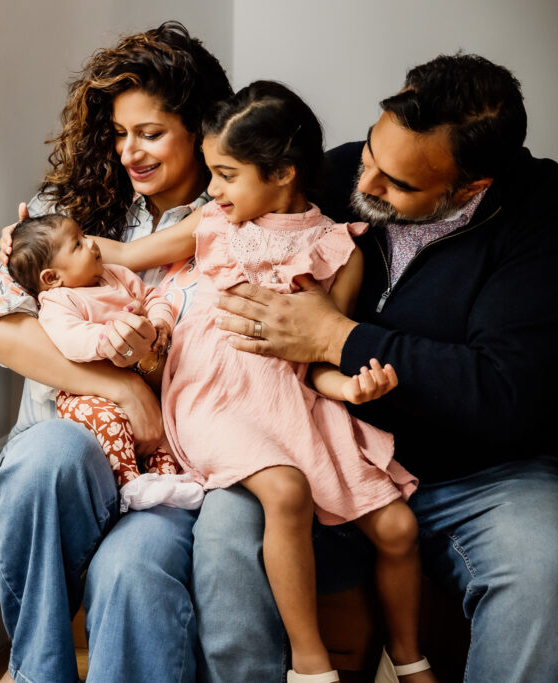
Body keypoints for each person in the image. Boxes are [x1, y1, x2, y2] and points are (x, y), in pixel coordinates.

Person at [191, 54, 558, 682]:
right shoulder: (334, 174)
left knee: (544, 564)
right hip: (323, 445)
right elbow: (213, 226)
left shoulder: (542, 221)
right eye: (371, 153)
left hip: (477, 475)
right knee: (227, 531)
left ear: (471, 188)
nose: (367, 184)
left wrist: (338, 338)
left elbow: (504, 390)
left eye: (400, 184)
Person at [93, 80, 433, 683]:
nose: (214, 188)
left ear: (281, 174)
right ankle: (309, 663)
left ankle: (410, 661)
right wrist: (42, 242)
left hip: (296, 403)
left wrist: (352, 390)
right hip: (214, 394)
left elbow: (322, 361)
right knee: (285, 491)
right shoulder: (211, 224)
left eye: (225, 174)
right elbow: (123, 254)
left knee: (399, 525)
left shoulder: (339, 250)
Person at [0, 21, 232, 683]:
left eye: (150, 132)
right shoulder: (63, 214)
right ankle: (39, 672)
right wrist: (119, 387)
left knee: (132, 573)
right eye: (118, 132)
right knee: (45, 459)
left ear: (199, 128)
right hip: (72, 455)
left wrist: (150, 372)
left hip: (168, 469)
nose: (129, 152)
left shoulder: (231, 219)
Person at [6, 212, 205, 513]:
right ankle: (131, 483)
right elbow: (70, 339)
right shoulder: (59, 301)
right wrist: (110, 337)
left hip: (140, 381)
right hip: (85, 393)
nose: (92, 245)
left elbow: (151, 296)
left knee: (164, 430)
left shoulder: (115, 275)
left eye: (84, 236)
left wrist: (160, 321)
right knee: (111, 422)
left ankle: (169, 479)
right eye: (77, 244)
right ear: (52, 278)